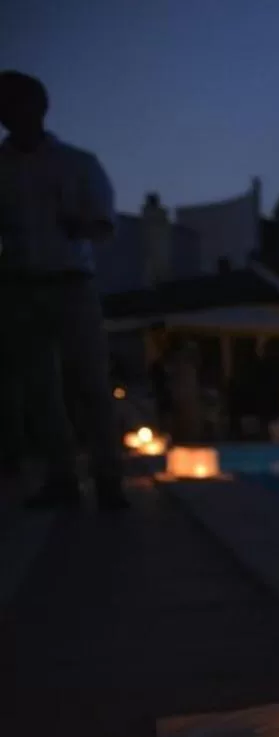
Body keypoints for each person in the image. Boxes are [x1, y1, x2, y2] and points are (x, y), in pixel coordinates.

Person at [0, 71, 125, 508]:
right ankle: (62, 478)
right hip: (18, 286)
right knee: (40, 389)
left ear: (40, 107)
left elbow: (105, 225)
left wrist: (79, 226)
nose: (10, 114)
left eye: (16, 103)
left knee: (90, 382)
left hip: (71, 284)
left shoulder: (77, 163)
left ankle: (108, 479)